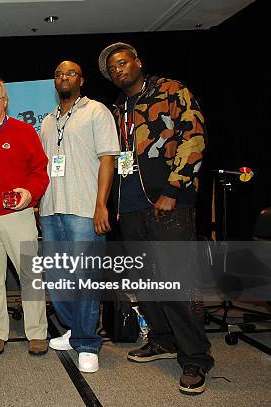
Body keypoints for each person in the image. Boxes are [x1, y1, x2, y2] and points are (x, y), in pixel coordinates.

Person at [98, 42, 213, 394]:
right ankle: (162, 338)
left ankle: (195, 356)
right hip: (130, 206)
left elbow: (194, 138)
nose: (118, 70)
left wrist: (174, 190)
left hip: (168, 203)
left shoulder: (171, 90)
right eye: (112, 68)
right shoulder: (118, 108)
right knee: (146, 280)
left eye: (122, 62)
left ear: (138, 62)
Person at [38, 61, 119, 373]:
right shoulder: (47, 120)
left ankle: (87, 343)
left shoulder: (96, 111)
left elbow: (108, 160)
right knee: (58, 279)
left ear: (81, 79)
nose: (64, 77)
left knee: (85, 278)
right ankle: (74, 331)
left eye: (70, 72)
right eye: (58, 73)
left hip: (85, 209)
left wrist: (101, 204)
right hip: (50, 210)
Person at [0, 78, 49, 356]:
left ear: (5, 102)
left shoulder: (24, 131)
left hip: (18, 216)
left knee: (30, 276)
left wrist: (30, 193)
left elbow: (41, 170)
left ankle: (37, 332)